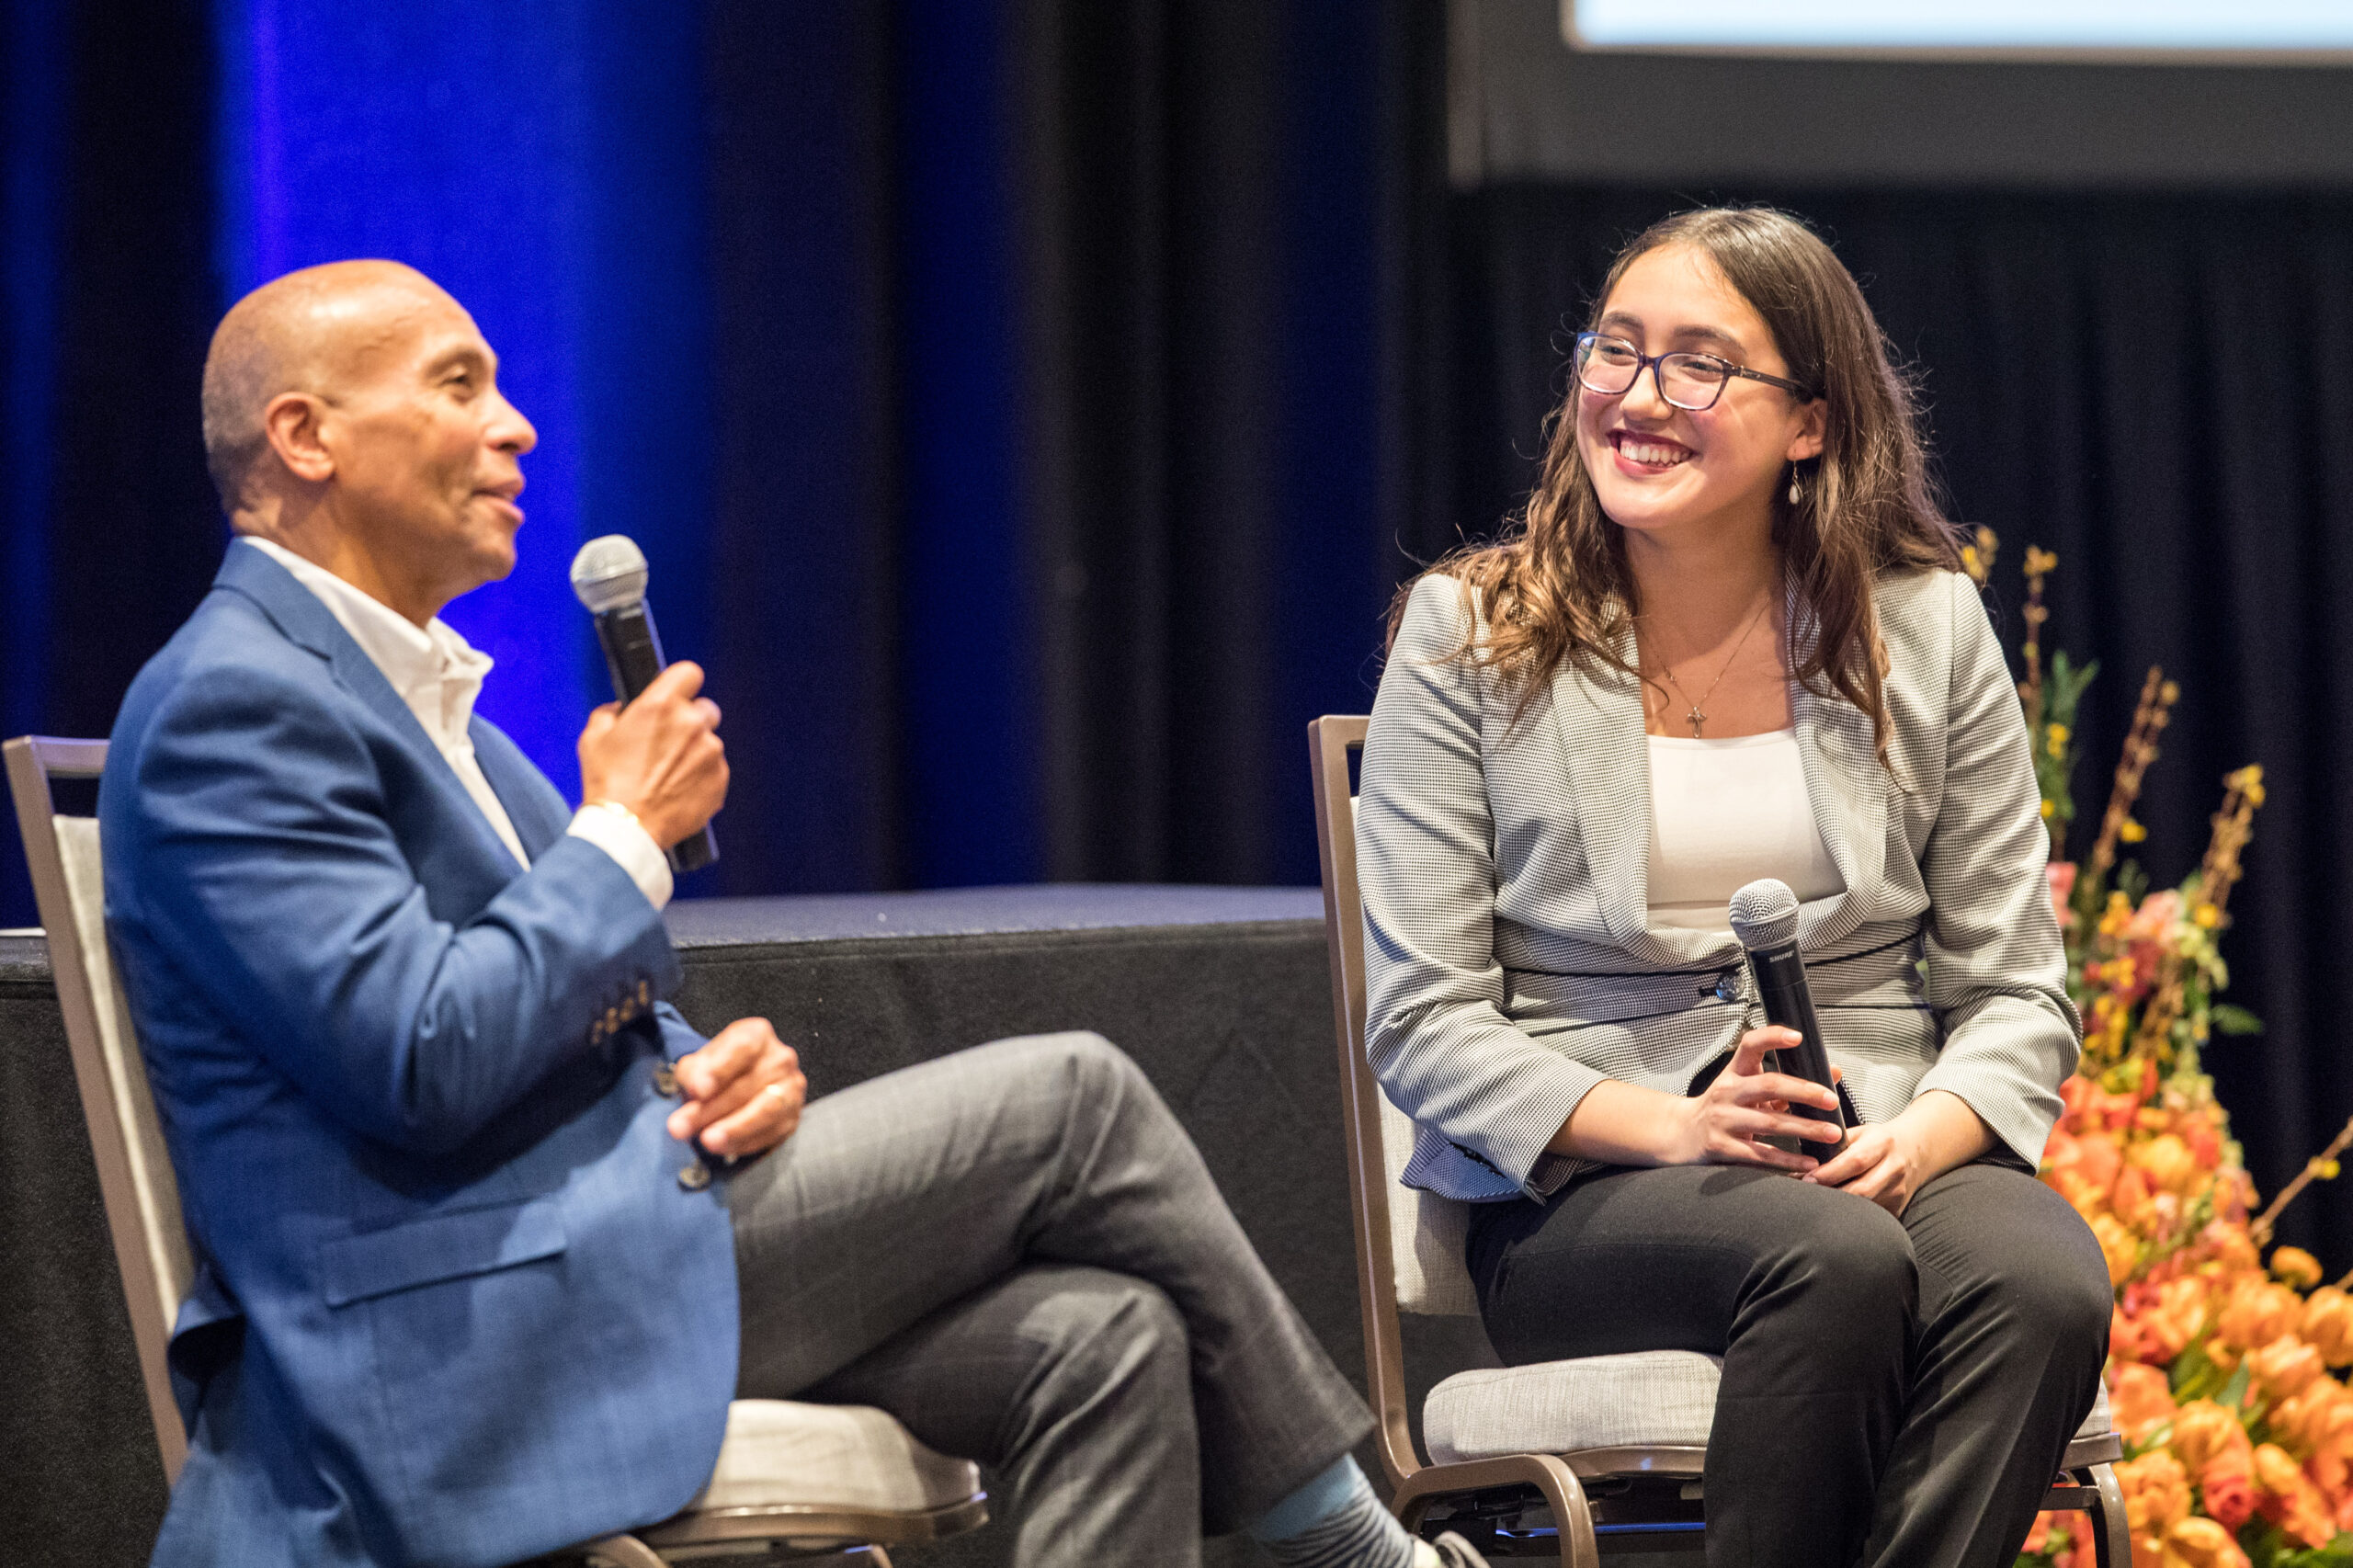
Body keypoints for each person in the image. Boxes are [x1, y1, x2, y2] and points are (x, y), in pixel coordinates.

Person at [102, 259, 1489, 1568]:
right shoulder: (238, 703)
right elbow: (416, 1057)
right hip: (443, 1343)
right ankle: (1350, 1545)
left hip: (582, 1251)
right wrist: (621, 833)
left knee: (1106, 1334)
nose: (516, 426)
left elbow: (537, 994)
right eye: (458, 386)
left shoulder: (416, 695)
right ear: (306, 434)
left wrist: (694, 1066)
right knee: (1075, 1097)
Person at [1355, 208, 2110, 1568]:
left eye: (1697, 365)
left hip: (1878, 1138)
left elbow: (2015, 989)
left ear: (1810, 423)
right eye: (1616, 352)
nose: (1638, 398)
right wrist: (1675, 1128)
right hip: (1591, 1190)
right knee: (1832, 1260)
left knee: (2040, 1280)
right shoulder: (1468, 638)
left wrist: (1927, 1135)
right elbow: (1421, 1024)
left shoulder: (1923, 623)